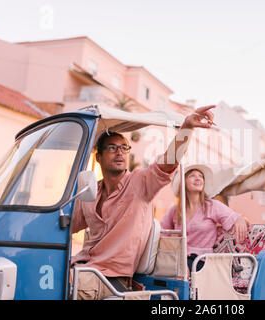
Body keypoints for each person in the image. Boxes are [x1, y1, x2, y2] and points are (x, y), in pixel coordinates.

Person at [70, 105, 215, 300]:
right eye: (112, 148)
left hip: (110, 277)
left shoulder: (139, 183)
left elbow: (167, 164)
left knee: (61, 284)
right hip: (81, 266)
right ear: (99, 157)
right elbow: (65, 226)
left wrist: (187, 127)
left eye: (123, 148)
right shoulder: (90, 192)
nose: (120, 153)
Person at [161, 164, 249, 273]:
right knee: (163, 267)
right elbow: (162, 233)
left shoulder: (212, 206)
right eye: (192, 176)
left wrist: (240, 219)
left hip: (201, 261)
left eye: (201, 176)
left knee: (179, 269)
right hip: (179, 258)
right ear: (183, 183)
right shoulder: (175, 210)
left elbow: (235, 218)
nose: (198, 178)